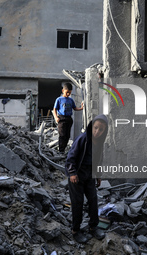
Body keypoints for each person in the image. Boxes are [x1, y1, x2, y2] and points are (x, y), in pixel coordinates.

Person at [65, 114, 108, 244]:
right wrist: (72, 173)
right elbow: (71, 157)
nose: (97, 132)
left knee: (93, 200)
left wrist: (98, 175)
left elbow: (98, 160)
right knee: (78, 202)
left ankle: (93, 226)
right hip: (77, 176)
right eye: (95, 128)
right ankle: (75, 230)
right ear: (91, 126)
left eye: (101, 130)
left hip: (89, 175)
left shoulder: (100, 143)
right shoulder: (82, 139)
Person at [53, 82, 84, 154]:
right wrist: (56, 117)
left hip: (69, 119)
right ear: (63, 91)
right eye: (67, 92)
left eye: (69, 93)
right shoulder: (59, 99)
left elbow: (75, 108)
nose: (68, 94)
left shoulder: (70, 100)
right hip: (61, 119)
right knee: (62, 135)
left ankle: (64, 149)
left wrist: (81, 108)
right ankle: (61, 150)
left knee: (67, 135)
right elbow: (54, 109)